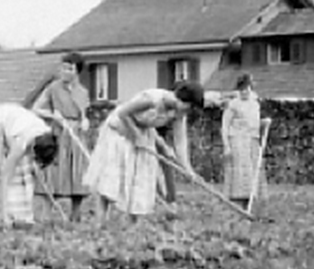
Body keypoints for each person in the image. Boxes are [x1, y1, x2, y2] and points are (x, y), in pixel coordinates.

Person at [83, 81, 206, 224]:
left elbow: (180, 142)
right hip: (119, 132)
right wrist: (136, 135)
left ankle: (132, 224)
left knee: (139, 181)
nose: (187, 112)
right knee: (111, 180)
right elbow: (123, 113)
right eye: (189, 107)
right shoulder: (151, 99)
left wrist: (188, 169)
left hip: (143, 134)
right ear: (181, 99)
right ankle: (100, 223)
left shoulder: (179, 114)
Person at [0, 103, 59, 228]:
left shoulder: (46, 135)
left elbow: (36, 167)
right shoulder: (20, 143)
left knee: (23, 173)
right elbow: (4, 178)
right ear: (33, 148)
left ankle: (20, 215)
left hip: (13, 124)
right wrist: (4, 217)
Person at [31, 51, 91, 221]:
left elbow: (83, 114)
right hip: (58, 133)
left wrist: (85, 121)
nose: (65, 72)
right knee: (54, 173)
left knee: (79, 173)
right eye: (63, 68)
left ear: (77, 71)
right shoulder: (53, 88)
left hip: (77, 135)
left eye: (69, 69)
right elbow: (36, 108)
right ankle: (46, 216)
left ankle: (75, 215)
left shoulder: (82, 92)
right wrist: (53, 116)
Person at [221, 73, 269, 210]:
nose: (244, 92)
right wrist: (226, 146)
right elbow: (225, 126)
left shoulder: (255, 103)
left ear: (251, 88)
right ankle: (238, 204)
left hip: (252, 141)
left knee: (253, 172)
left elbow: (252, 123)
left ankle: (252, 203)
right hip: (237, 141)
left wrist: (263, 123)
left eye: (247, 89)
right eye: (241, 89)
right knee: (240, 173)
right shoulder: (233, 104)